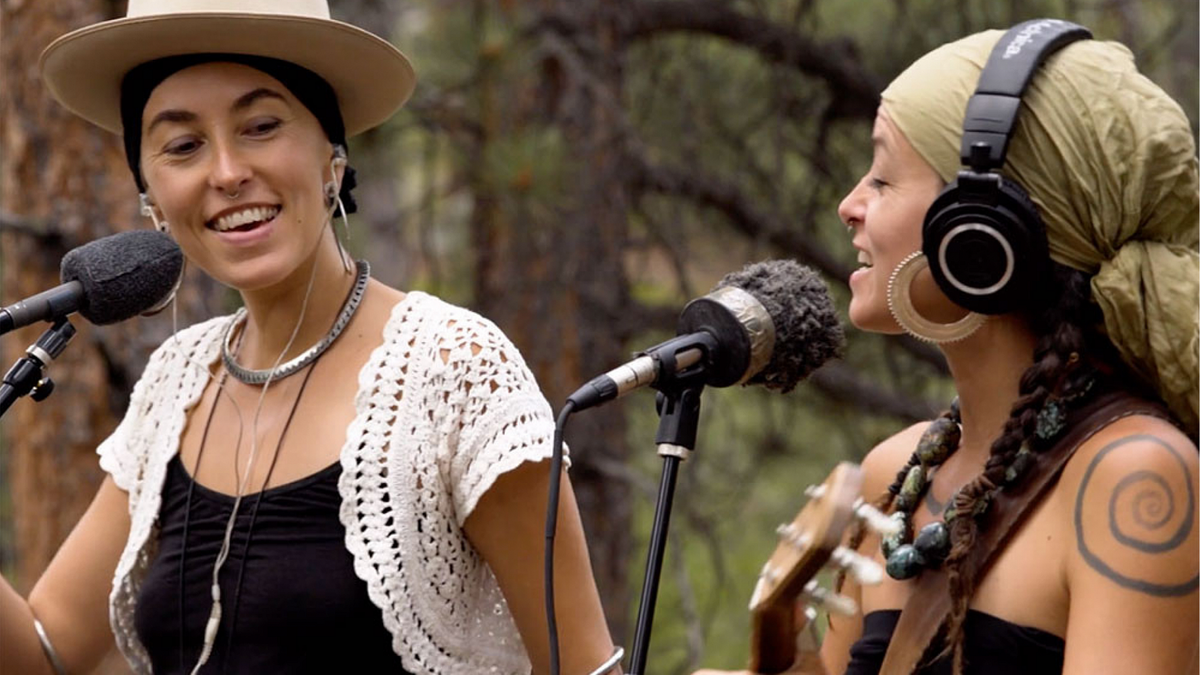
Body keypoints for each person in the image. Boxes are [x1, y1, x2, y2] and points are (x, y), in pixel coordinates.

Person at [1, 1, 621, 674]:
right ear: (151, 193)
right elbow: (43, 653)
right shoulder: (175, 383)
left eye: (261, 126)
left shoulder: (455, 371)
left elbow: (583, 666)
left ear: (333, 154)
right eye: (183, 145)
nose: (227, 171)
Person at [697, 19, 1198, 675]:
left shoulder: (1137, 479)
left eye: (882, 177)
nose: (850, 204)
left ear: (979, 234)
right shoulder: (894, 475)